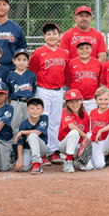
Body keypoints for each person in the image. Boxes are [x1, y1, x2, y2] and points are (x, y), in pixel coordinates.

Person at [29, 22, 69, 164]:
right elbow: (31, 72)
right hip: (43, 89)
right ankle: (43, 152)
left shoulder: (64, 53)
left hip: (58, 91)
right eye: (48, 34)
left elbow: (66, 73)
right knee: (43, 120)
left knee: (55, 122)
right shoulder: (39, 52)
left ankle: (53, 151)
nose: (52, 36)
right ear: (44, 37)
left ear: (60, 36)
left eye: (54, 33)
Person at [5, 48, 36, 151]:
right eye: (19, 59)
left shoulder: (31, 75)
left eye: (24, 60)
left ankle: (27, 148)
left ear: (28, 61)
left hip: (28, 103)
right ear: (14, 61)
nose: (21, 62)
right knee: (15, 125)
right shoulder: (10, 75)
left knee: (29, 124)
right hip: (16, 102)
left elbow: (34, 90)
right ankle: (14, 148)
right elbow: (8, 92)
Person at [58, 89, 93, 173]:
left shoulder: (85, 115)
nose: (74, 104)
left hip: (77, 146)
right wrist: (84, 136)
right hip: (64, 145)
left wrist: (83, 146)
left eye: (77, 100)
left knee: (88, 167)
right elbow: (71, 126)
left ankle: (74, 159)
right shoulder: (65, 111)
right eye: (71, 102)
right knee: (74, 132)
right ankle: (68, 160)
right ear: (66, 103)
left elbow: (86, 133)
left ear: (81, 101)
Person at [13, 97, 50, 174]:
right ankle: (31, 162)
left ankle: (37, 164)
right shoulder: (24, 123)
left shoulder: (44, 118)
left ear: (42, 110)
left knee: (32, 135)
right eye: (32, 108)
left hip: (41, 148)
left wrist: (22, 132)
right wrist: (20, 160)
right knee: (22, 168)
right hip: (28, 149)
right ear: (27, 110)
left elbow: (38, 132)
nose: (35, 111)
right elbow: (20, 143)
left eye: (38, 108)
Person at [89, 87, 109, 169]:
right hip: (96, 142)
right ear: (95, 100)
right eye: (100, 99)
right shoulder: (92, 112)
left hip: (106, 142)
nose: (103, 102)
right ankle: (103, 156)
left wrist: (102, 130)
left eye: (106, 99)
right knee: (99, 165)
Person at [65, 41, 102, 112]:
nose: (84, 50)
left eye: (87, 48)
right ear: (77, 50)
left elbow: (100, 81)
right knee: (77, 119)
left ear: (91, 49)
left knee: (91, 120)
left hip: (92, 99)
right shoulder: (71, 63)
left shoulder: (97, 63)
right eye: (81, 48)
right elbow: (68, 81)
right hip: (76, 99)